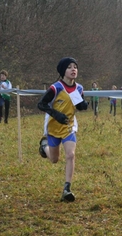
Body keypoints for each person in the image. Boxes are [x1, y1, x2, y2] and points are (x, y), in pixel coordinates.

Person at [37, 57, 89, 202]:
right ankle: (44, 147)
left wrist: (83, 105)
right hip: (53, 126)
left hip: (69, 126)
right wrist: (56, 114)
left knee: (70, 155)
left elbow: (78, 104)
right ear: (63, 71)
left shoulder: (79, 88)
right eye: (69, 67)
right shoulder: (56, 88)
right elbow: (41, 104)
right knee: (54, 159)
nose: (73, 69)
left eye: (75, 67)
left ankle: (67, 189)